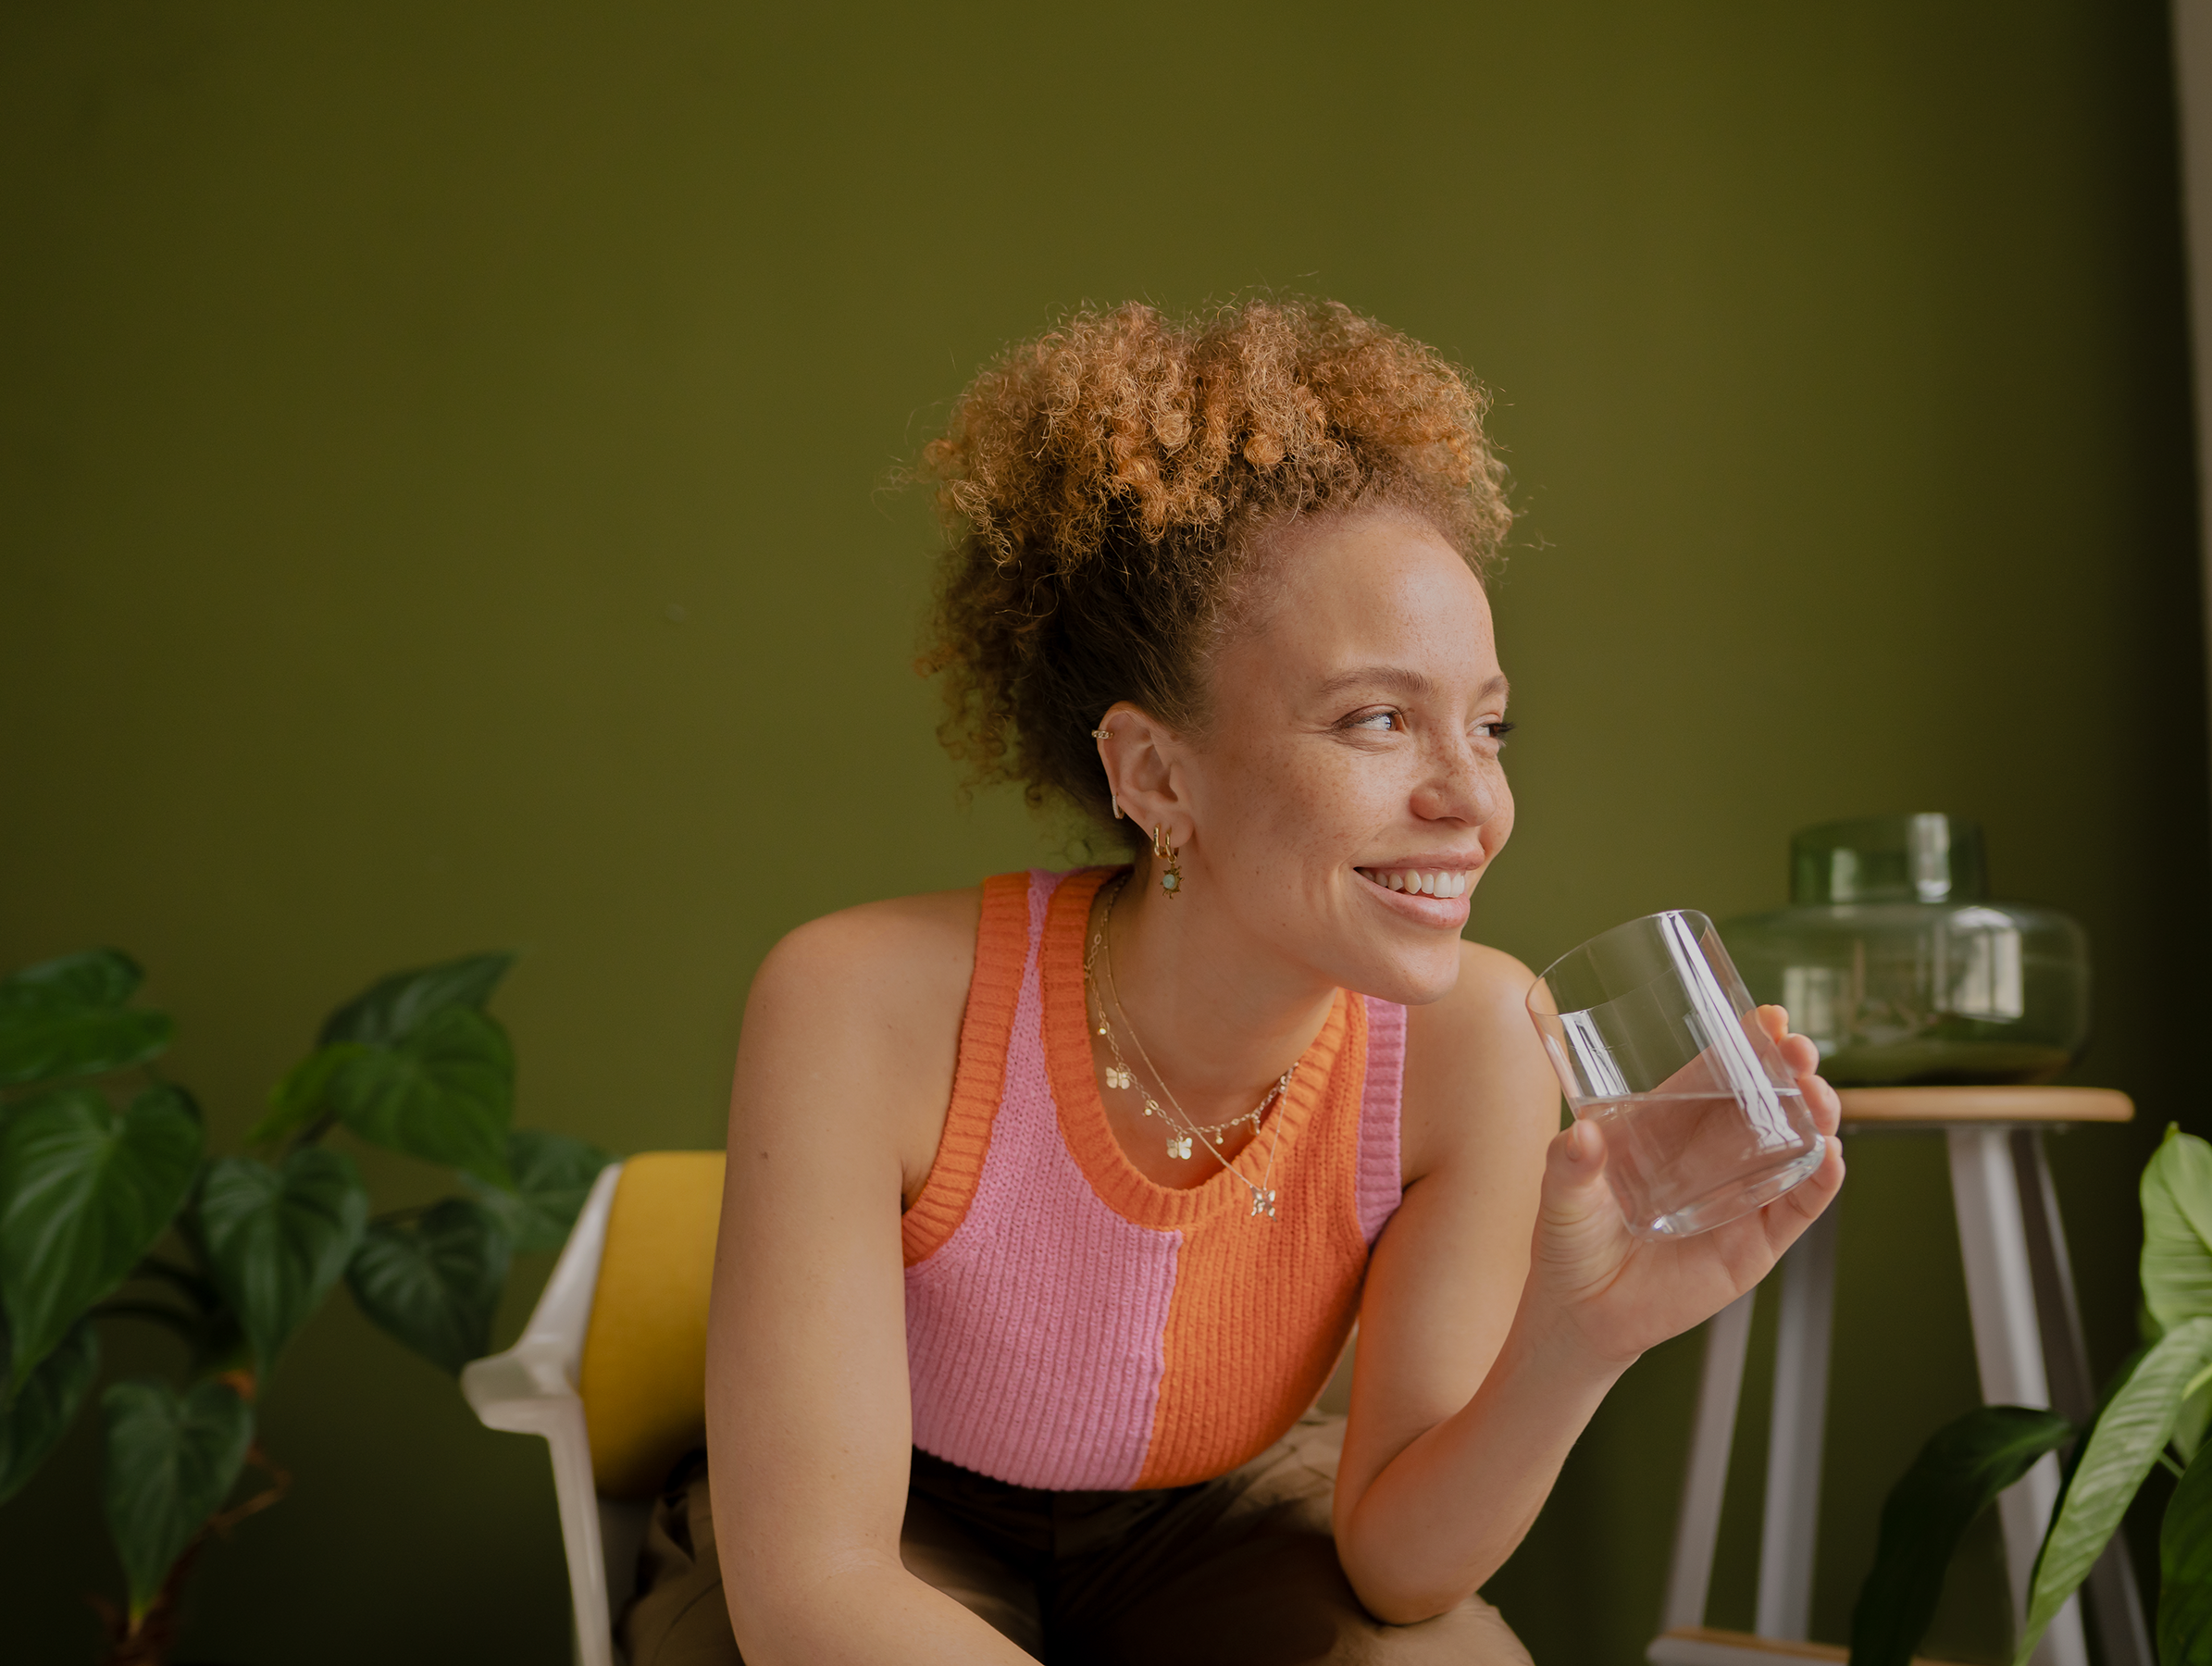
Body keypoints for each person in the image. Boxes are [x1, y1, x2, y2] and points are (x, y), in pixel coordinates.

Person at [628, 299, 1847, 1663]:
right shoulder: (854, 1002)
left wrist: (1583, 1337)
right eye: (1379, 719)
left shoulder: (1478, 1046)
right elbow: (818, 1591)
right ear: (1157, 775)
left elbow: (1395, 1567)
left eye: (1489, 725)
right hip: (890, 1511)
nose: (1474, 803)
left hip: (1214, 1518)